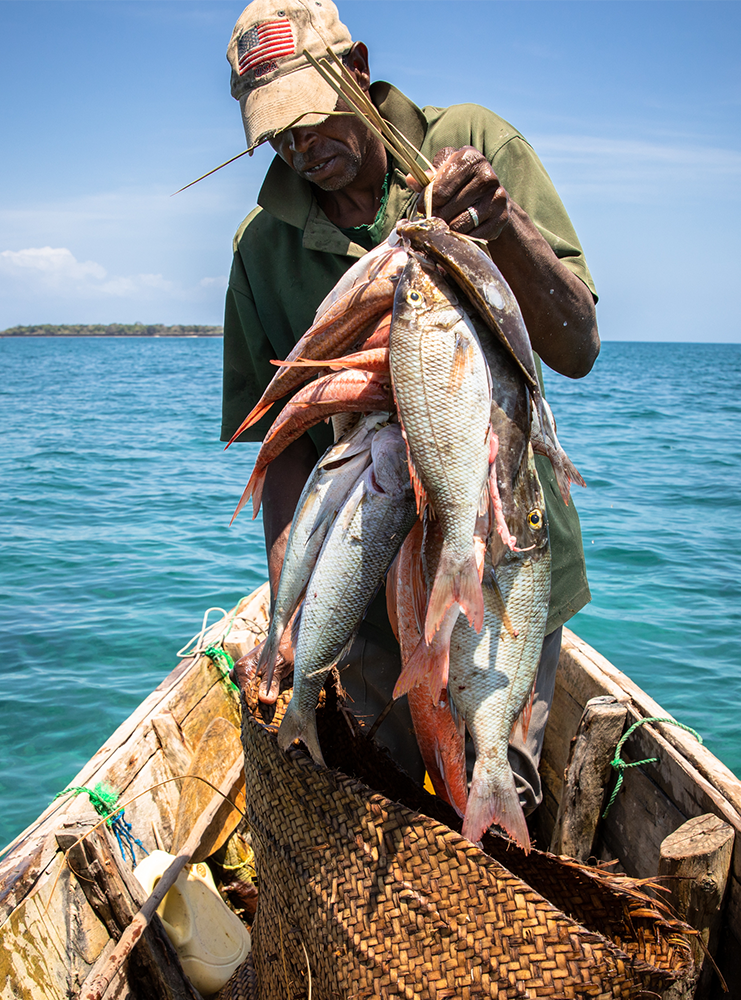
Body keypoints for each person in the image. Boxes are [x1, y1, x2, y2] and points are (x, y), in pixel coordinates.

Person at [220, 0, 599, 823]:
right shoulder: (261, 248)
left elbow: (578, 346)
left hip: (503, 559)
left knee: (500, 790)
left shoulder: (472, 144)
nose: (300, 148)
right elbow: (283, 447)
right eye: (277, 133)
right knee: (371, 794)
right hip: (366, 578)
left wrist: (504, 225)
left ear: (356, 67)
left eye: (311, 116)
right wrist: (292, 605)